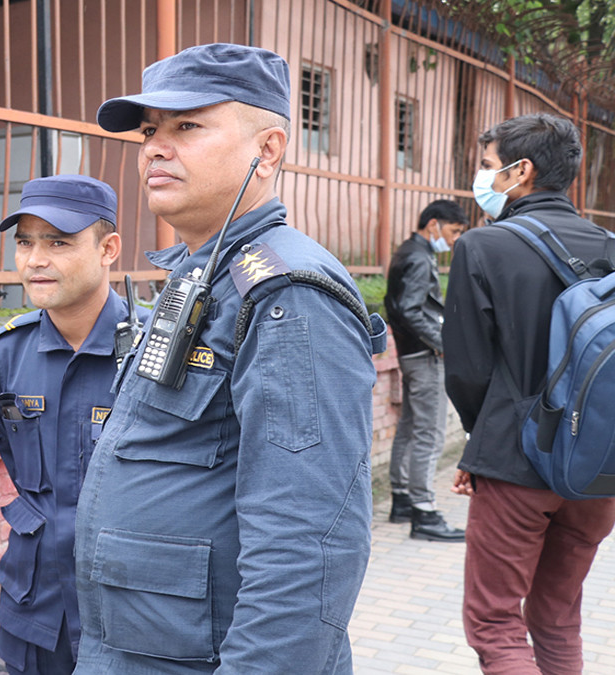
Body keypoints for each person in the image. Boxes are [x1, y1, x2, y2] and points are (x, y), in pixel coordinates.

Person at [72, 43, 384, 673]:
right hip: (138, 649)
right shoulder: (202, 274)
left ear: (267, 149)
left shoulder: (286, 295)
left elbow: (309, 546)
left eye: (187, 125)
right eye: (150, 131)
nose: (156, 147)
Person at [444, 113, 615, 673]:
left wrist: (480, 444)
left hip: (516, 462)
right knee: (558, 616)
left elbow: (467, 370)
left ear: (522, 172)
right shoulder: (610, 245)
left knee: (495, 622)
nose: (482, 177)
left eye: (489, 166)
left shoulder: (482, 247)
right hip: (598, 467)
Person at [0, 174, 148, 674]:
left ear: (108, 248)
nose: (35, 260)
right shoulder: (8, 352)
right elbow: (14, 461)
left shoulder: (149, 355)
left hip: (131, 610)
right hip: (36, 609)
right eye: (25, 242)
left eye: (59, 242)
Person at [383, 199, 467, 541]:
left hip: (410, 354)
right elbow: (410, 309)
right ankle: (425, 512)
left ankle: (402, 500)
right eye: (453, 231)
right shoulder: (419, 257)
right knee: (429, 434)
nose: (454, 239)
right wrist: (443, 344)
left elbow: (401, 308)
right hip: (425, 356)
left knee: (409, 426)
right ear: (434, 224)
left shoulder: (409, 251)